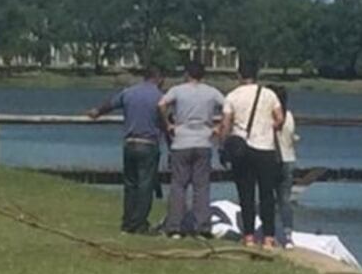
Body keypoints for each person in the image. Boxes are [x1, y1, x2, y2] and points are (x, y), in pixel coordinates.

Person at [87, 65, 166, 234]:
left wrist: (96, 112)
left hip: (130, 143)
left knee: (130, 184)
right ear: (158, 78)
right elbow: (166, 119)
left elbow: (110, 104)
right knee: (145, 185)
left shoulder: (129, 92)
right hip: (148, 144)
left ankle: (128, 222)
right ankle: (140, 224)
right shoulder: (160, 97)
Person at [219, 61, 284, 249]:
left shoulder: (232, 96)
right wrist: (269, 127)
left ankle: (248, 236)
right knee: (267, 194)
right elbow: (279, 119)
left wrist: (223, 145)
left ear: (239, 76)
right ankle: (268, 237)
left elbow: (225, 124)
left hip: (242, 149)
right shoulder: (269, 94)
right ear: (256, 75)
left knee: (246, 194)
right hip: (265, 148)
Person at [157, 60, 224, 238]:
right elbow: (228, 108)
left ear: (187, 74)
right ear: (203, 75)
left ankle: (174, 227)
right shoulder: (212, 92)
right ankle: (202, 227)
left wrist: (168, 124)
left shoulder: (178, 90)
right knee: (201, 187)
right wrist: (219, 128)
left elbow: (161, 104)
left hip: (181, 140)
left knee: (178, 185)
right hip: (204, 140)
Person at [271, 85, 299, 248]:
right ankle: (288, 234)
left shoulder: (269, 116)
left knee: (268, 198)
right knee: (285, 200)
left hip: (272, 159)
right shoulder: (289, 115)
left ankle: (270, 231)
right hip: (289, 159)